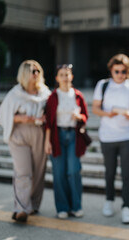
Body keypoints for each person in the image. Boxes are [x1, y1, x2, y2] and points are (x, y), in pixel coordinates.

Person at [92, 54, 129, 224]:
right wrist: (108, 113)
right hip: (107, 135)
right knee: (110, 171)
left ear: (128, 71)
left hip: (126, 135)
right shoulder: (103, 85)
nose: (120, 74)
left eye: (124, 71)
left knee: (127, 173)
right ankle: (109, 201)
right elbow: (95, 108)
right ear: (111, 70)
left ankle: (126, 207)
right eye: (117, 71)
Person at [0, 60, 51, 222]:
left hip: (39, 133)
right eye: (32, 71)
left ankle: (33, 204)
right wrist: (20, 118)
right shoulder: (14, 94)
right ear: (24, 74)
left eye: (38, 71)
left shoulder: (46, 94)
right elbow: (3, 116)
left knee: (38, 172)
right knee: (23, 172)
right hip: (19, 134)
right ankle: (21, 208)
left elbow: (52, 115)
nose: (36, 74)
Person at [44, 64, 88, 219]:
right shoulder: (53, 97)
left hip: (73, 135)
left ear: (71, 77)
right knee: (59, 173)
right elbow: (48, 122)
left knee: (74, 171)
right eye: (61, 74)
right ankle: (62, 207)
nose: (64, 77)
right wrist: (47, 142)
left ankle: (76, 206)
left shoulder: (77, 95)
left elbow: (85, 117)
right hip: (57, 135)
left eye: (67, 74)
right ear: (57, 78)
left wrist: (79, 117)